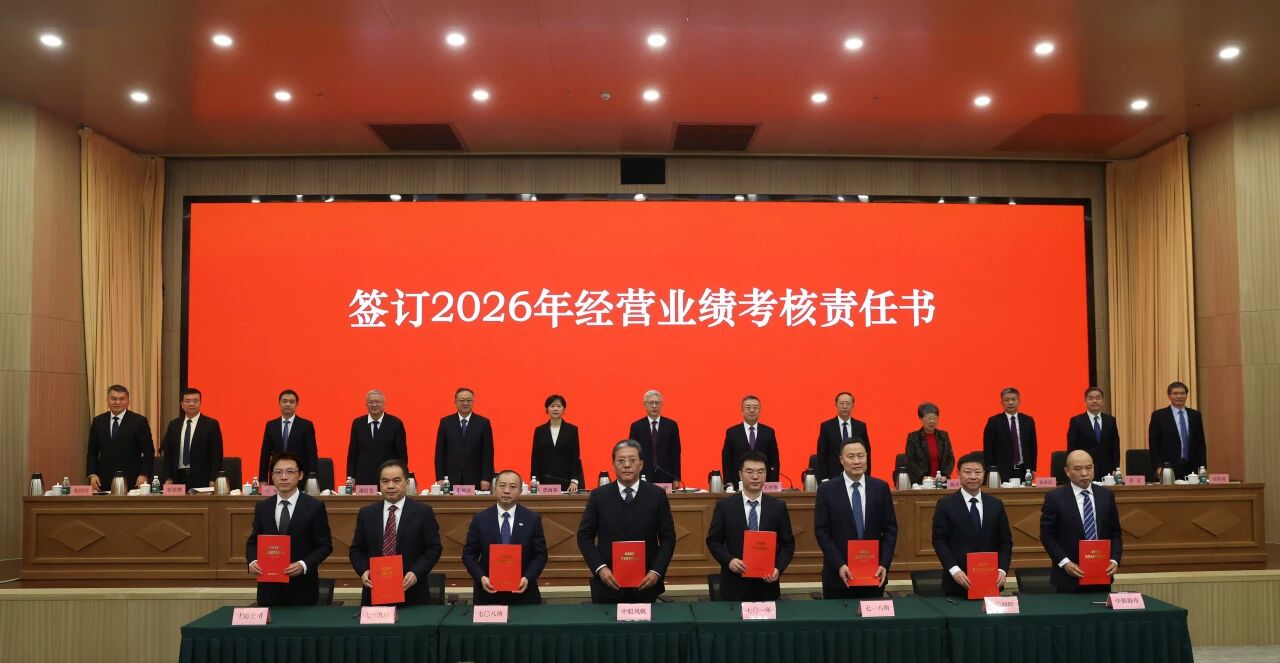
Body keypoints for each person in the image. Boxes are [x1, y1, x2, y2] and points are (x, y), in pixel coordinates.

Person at [576, 440, 676, 603]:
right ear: (613, 465)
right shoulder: (599, 496)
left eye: (632, 460)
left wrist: (656, 571)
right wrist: (600, 569)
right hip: (608, 584)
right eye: (621, 461)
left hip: (647, 584)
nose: (627, 465)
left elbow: (668, 538)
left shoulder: (656, 495)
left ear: (641, 464)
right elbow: (584, 537)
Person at [349, 459, 443, 605]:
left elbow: (433, 548)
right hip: (374, 592)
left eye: (396, 481)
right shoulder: (366, 514)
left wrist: (416, 572)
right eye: (385, 481)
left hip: (412, 592)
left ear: (407, 483)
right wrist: (364, 570)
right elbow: (356, 550)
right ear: (380, 483)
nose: (390, 486)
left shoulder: (423, 512)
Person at [705, 451, 795, 601]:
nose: (755, 476)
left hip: (767, 585)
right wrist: (729, 560)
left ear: (766, 474)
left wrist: (778, 568)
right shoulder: (725, 507)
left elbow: (788, 544)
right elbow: (713, 540)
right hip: (734, 585)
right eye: (750, 471)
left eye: (760, 472)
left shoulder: (778, 507)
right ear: (740, 475)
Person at [813, 438, 897, 599]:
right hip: (838, 576)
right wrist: (839, 564)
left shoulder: (880, 488)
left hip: (874, 574)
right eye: (851, 456)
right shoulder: (826, 490)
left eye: (861, 456)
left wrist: (884, 564)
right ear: (841, 460)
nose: (857, 461)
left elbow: (890, 529)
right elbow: (822, 532)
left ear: (867, 457)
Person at [246, 451, 333, 606]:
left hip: (302, 588)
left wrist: (303, 565)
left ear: (300, 475)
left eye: (290, 472)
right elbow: (253, 542)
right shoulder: (263, 507)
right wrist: (252, 561)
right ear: (272, 477)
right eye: (278, 472)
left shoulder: (314, 507)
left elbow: (325, 545)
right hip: (269, 589)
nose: (284, 477)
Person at [931, 452, 1013, 597]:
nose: (973, 477)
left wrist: (1002, 570)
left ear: (984, 474)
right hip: (957, 583)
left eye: (978, 472)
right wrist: (954, 570)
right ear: (958, 474)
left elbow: (1005, 541)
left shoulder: (995, 504)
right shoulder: (945, 505)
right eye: (968, 472)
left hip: (991, 581)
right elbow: (939, 540)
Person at [461, 469, 548, 605]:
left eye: (512, 487)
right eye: (502, 486)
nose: (506, 491)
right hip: (488, 593)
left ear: (520, 491)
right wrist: (481, 577)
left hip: (524, 594)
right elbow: (469, 554)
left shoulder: (532, 519)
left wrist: (527, 578)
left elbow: (540, 555)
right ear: (495, 489)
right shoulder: (480, 519)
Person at [1040, 450, 1122, 593]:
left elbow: (1115, 533)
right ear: (1067, 471)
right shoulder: (1055, 497)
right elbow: (1047, 535)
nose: (1084, 473)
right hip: (1068, 578)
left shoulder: (1106, 495)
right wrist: (1065, 563)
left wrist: (1115, 560)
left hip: (1102, 574)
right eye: (1078, 469)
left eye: (1089, 468)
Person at [86, 384, 154, 490]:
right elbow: (92, 451)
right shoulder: (98, 421)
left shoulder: (139, 421)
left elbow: (148, 451)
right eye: (113, 399)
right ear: (107, 400)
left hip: (133, 479)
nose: (117, 402)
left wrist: (144, 474)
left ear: (128, 401)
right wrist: (92, 474)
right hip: (103, 479)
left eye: (122, 399)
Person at [161, 388, 223, 488]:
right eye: (188, 401)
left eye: (195, 401)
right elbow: (168, 453)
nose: (192, 404)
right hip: (177, 477)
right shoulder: (174, 425)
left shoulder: (211, 425)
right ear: (182, 404)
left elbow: (216, 455)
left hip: (202, 477)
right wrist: (168, 477)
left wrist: (213, 479)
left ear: (200, 403)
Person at [435, 387, 495, 490]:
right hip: (450, 479)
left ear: (473, 402)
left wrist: (486, 478)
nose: (465, 403)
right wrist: (440, 477)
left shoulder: (483, 423)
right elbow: (440, 452)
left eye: (469, 400)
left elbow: (488, 453)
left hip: (476, 478)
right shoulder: (446, 422)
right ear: (455, 402)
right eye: (462, 400)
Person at [346, 390, 408, 486]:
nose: (374, 405)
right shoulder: (358, 423)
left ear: (384, 404)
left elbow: (401, 454)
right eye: (371, 402)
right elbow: (353, 453)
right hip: (363, 477)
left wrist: (402, 476)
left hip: (388, 478)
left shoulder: (395, 424)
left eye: (377, 402)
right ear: (366, 405)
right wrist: (350, 477)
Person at [257, 389, 318, 485]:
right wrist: (263, 479)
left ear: (296, 404)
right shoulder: (271, 425)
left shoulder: (306, 425)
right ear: (279, 403)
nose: (288, 404)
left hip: (299, 478)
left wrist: (312, 480)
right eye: (284, 401)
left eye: (291, 402)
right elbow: (265, 455)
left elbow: (311, 455)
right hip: (276, 477)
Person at [1148, 381, 1207, 479]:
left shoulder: (1195, 415)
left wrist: (1202, 467)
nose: (1179, 396)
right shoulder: (1159, 416)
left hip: (1191, 466)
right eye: (1175, 393)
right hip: (1167, 467)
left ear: (1186, 395)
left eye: (1182, 393)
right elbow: (1153, 444)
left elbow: (1200, 443)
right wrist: (1158, 466)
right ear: (1169, 396)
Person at [720, 395, 780, 486]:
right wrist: (728, 483)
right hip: (738, 483)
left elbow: (774, 461)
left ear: (759, 411)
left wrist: (773, 484)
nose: (752, 410)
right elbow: (727, 460)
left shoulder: (768, 432)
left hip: (763, 483)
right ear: (742, 411)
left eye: (755, 407)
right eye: (748, 407)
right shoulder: (732, 432)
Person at [530, 394, 584, 492]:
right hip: (544, 480)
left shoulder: (572, 430)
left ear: (564, 409)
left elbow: (575, 456)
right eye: (552, 406)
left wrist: (574, 480)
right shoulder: (540, 430)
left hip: (567, 481)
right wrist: (535, 479)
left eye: (559, 406)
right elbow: (535, 456)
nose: (555, 409)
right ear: (547, 409)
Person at [628, 390, 682, 487]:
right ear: (645, 404)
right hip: (643, 475)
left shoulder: (671, 425)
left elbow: (676, 453)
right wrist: (632, 476)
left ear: (661, 405)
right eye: (651, 402)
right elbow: (632, 454)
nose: (654, 406)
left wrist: (676, 478)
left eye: (657, 403)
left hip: (666, 475)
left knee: (664, 497)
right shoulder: (636, 426)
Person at [982, 387, 1037, 482]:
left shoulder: (1028, 420)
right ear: (1001, 403)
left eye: (1013, 399)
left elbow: (1033, 446)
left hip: (1024, 469)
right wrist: (990, 471)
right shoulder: (994, 421)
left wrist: (1032, 468)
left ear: (1019, 401)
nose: (1010, 402)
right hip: (1002, 470)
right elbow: (988, 449)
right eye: (1007, 400)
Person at [815, 392, 872, 481]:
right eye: (841, 403)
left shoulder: (860, 426)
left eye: (848, 403)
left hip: (856, 475)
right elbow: (821, 454)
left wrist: (866, 475)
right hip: (833, 476)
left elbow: (866, 452)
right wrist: (824, 478)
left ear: (853, 405)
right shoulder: (827, 426)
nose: (845, 406)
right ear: (836, 405)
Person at [1067, 387, 1121, 475]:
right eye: (1091, 398)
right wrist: (1074, 467)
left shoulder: (1110, 420)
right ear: (1085, 401)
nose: (1094, 401)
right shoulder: (1076, 421)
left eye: (1098, 398)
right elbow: (1072, 447)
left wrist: (1116, 467)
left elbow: (1115, 446)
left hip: (1107, 469)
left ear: (1102, 401)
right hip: (1084, 469)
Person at [904, 402, 955, 485]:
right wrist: (923, 477)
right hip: (921, 482)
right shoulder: (913, 437)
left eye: (935, 418)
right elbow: (910, 460)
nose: (932, 421)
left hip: (941, 481)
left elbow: (950, 458)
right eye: (929, 418)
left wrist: (945, 476)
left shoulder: (943, 436)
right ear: (921, 419)